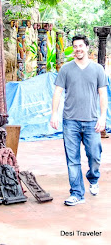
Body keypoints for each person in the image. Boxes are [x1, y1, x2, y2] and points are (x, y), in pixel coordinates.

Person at [50, 35, 108, 206]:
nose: (78, 49)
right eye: (75, 46)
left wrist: (103, 116)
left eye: (80, 46)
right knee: (72, 160)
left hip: (91, 121)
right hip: (70, 122)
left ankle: (93, 178)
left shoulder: (97, 69)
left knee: (94, 156)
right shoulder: (66, 69)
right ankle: (77, 193)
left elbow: (103, 94)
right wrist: (54, 113)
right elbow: (58, 92)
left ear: (87, 47)